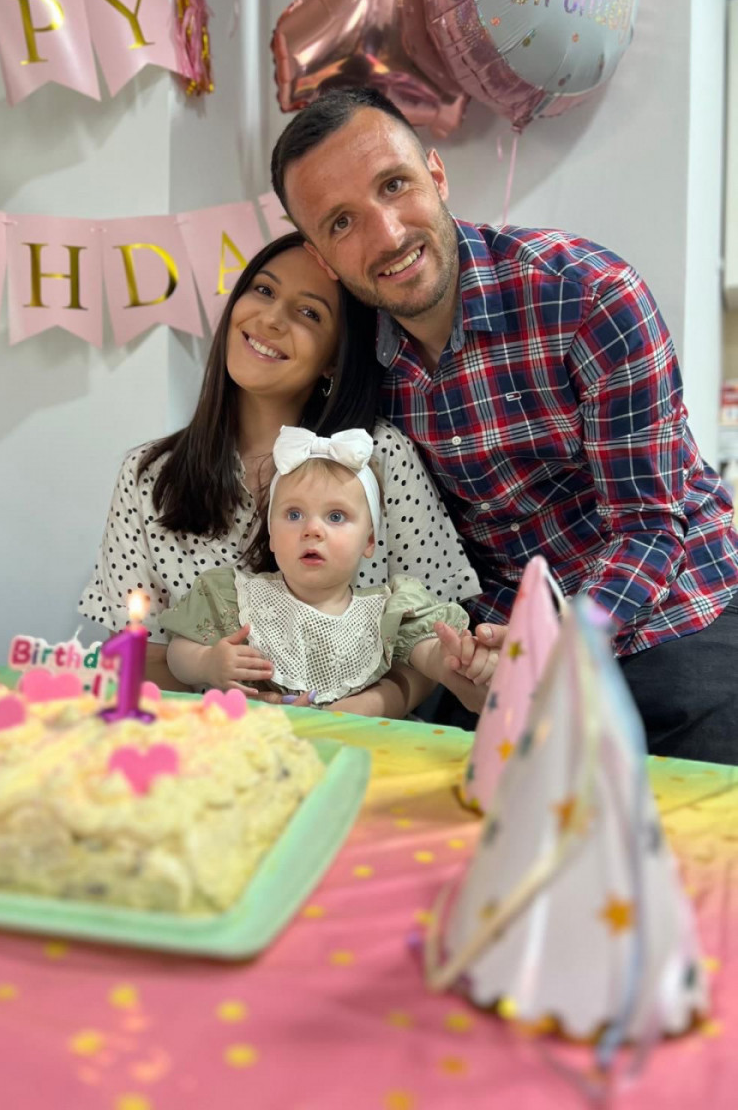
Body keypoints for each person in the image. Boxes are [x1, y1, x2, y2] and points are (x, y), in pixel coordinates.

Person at [270, 85, 738, 762]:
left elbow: (648, 527)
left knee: (694, 814)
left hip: (675, 611)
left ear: (436, 174)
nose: (388, 234)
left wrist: (553, 645)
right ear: (322, 258)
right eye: (341, 222)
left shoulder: (588, 295)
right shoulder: (354, 365)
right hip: (502, 645)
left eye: (395, 185)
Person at [80, 231, 491, 717]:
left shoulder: (379, 455)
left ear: (334, 358)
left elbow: (431, 637)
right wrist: (221, 689)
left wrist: (364, 707)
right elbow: (141, 654)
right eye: (264, 290)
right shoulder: (150, 475)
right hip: (207, 740)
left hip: (358, 742)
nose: (272, 319)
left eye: (309, 313)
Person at [160, 426, 497, 710]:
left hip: (358, 749)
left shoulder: (387, 611)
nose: (312, 529)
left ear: (369, 541)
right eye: (294, 514)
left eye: (336, 516)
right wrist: (206, 663)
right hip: (261, 744)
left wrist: (454, 658)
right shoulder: (237, 598)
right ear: (272, 535)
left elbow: (429, 654)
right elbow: (178, 651)